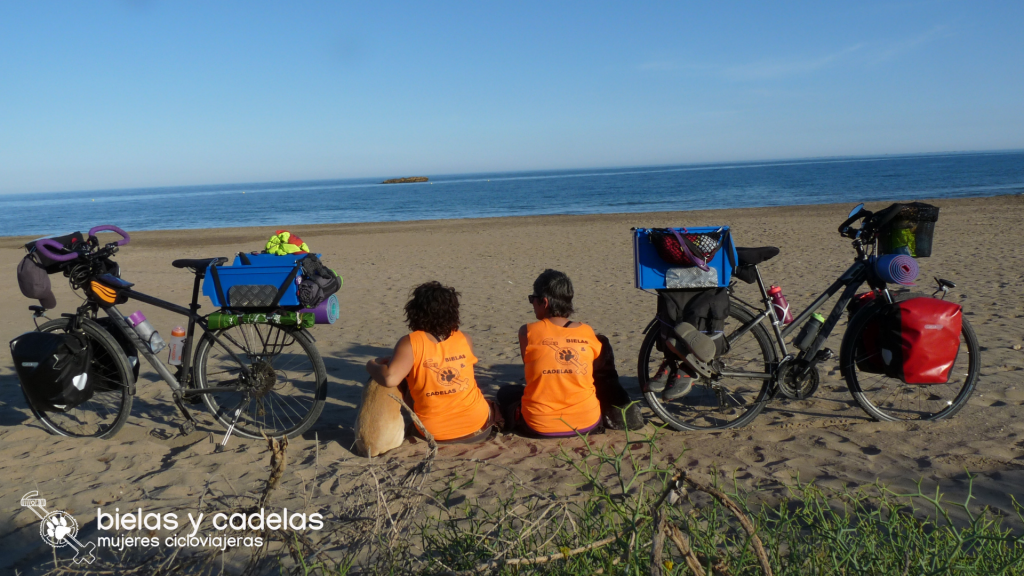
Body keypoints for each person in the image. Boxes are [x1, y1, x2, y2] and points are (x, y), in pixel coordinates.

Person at [497, 269, 644, 437]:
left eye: (533, 299)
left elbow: (531, 366)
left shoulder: (527, 332)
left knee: (506, 393)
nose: (532, 304)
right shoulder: (587, 332)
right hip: (588, 422)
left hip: (541, 425)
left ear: (544, 302)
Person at [365, 281, 497, 443]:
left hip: (434, 432)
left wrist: (371, 364)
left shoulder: (410, 343)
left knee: (393, 377)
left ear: (415, 312)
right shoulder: (464, 338)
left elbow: (390, 379)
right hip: (478, 426)